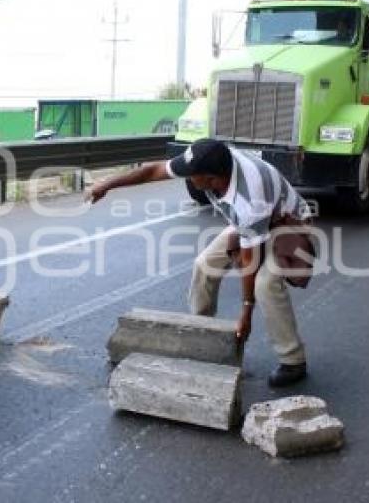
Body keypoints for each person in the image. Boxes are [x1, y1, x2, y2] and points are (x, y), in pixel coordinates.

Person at [88, 139, 313, 387]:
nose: (187, 179)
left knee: (264, 285)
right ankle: (203, 336)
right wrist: (107, 184)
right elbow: (153, 171)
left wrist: (245, 314)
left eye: (192, 176)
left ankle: (293, 359)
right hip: (251, 223)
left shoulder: (249, 199)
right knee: (204, 264)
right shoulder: (210, 159)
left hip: (286, 225)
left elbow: (251, 262)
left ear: (212, 178)